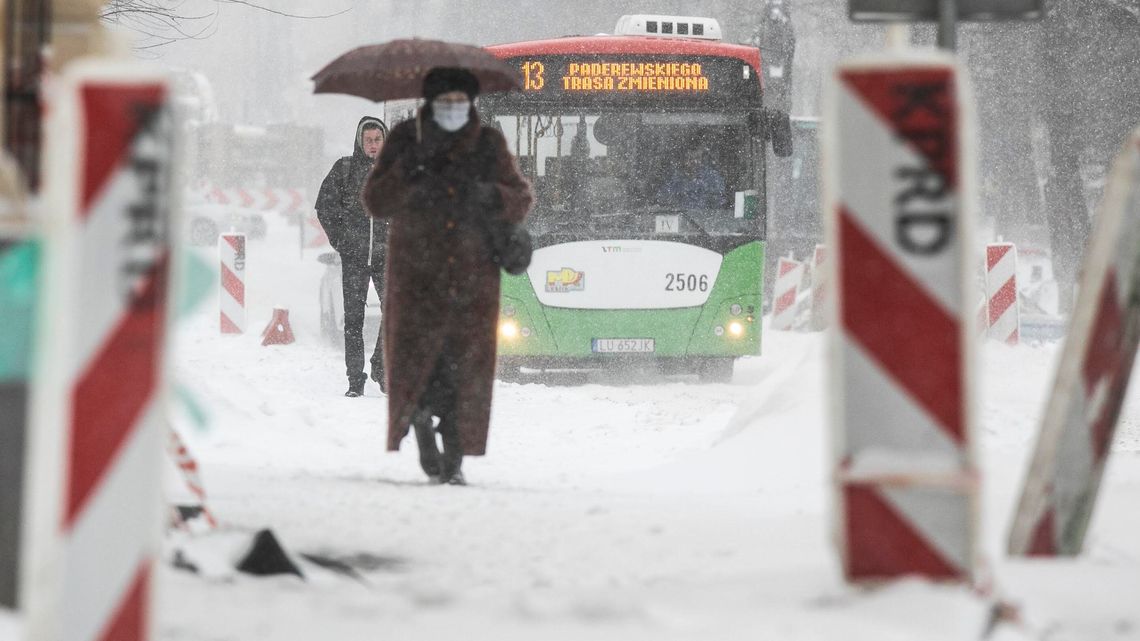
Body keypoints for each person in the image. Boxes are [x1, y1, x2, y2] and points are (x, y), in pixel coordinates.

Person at [363, 67, 533, 485]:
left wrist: (489, 195)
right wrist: (408, 174)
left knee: (466, 370)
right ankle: (420, 421)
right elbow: (375, 200)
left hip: (473, 279)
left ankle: (454, 457)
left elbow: (520, 197)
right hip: (416, 276)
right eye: (445, 102)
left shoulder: (488, 144)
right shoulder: (406, 139)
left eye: (459, 102)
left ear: (470, 103)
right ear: (430, 103)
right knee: (419, 362)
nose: (452, 109)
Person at [316, 116, 388, 397]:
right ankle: (355, 380)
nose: (373, 145)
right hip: (355, 257)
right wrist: (341, 240)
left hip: (386, 256)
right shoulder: (344, 169)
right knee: (353, 321)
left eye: (377, 140)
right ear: (360, 142)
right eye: (368, 140)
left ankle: (380, 366)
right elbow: (324, 206)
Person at [658, 145, 726, 209]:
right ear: (682, 160)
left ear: (702, 159)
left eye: (697, 158)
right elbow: (662, 200)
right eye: (689, 158)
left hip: (705, 217)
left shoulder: (712, 178)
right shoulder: (673, 179)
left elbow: (720, 205)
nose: (694, 162)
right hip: (679, 216)